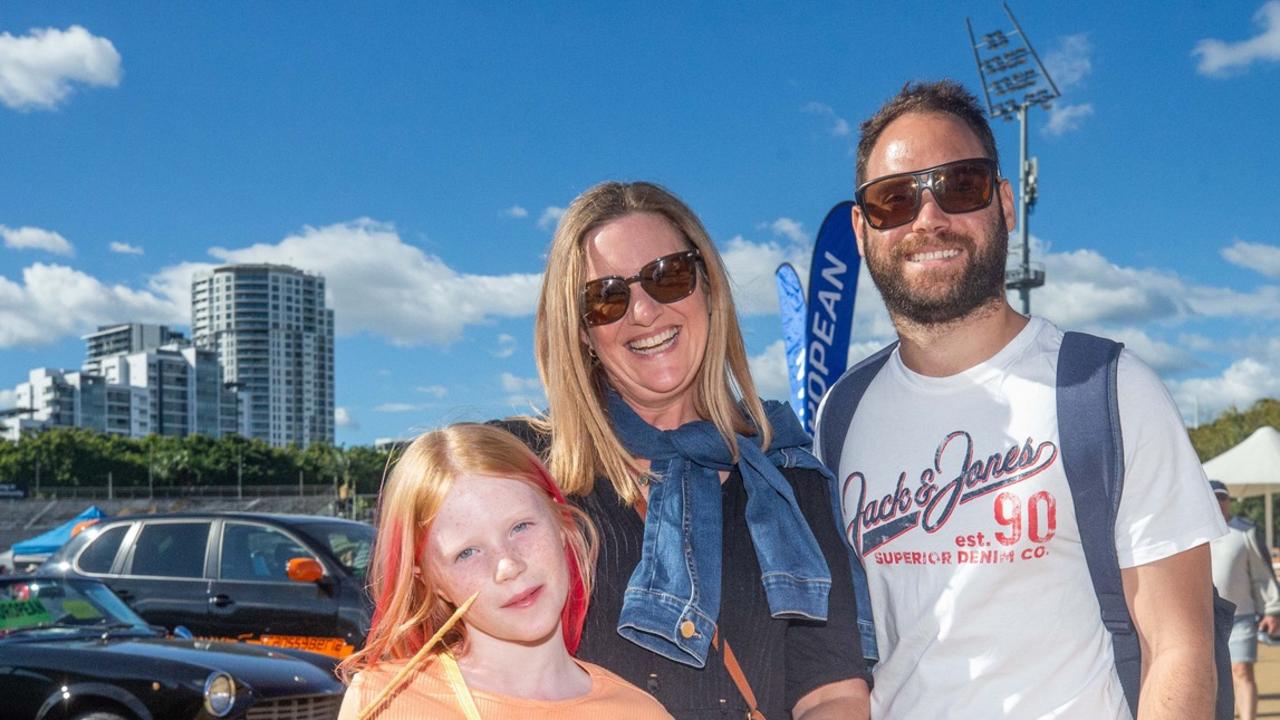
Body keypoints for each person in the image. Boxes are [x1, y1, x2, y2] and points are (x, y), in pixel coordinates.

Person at [815, 80, 1226, 718]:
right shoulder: (841, 414)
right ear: (862, 229)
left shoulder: (1109, 388)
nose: (928, 218)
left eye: (960, 185)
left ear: (1004, 203)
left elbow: (1179, 647)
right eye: (894, 199)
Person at [503, 180, 871, 719]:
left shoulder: (787, 477)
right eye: (606, 297)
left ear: (708, 286)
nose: (644, 312)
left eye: (668, 276)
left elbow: (832, 691)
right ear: (581, 330)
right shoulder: (523, 472)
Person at [336, 423, 670, 719]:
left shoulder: (639, 712)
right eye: (467, 552)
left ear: (562, 525)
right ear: (430, 580)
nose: (508, 566)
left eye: (520, 527)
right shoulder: (384, 703)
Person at [1209, 479, 1280, 720]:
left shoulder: (1244, 532)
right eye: (1213, 498)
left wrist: (1272, 610)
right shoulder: (1193, 536)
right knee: (1212, 677)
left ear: (1229, 501)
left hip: (1242, 617)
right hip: (1205, 619)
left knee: (1242, 670)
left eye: (1222, 498)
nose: (1218, 503)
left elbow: (1262, 576)